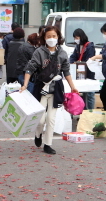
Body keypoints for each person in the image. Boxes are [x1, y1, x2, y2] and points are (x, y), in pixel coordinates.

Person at [21, 26, 78, 155]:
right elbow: (30, 68)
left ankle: (48, 144)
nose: (51, 39)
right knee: (40, 119)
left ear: (58, 37)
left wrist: (72, 86)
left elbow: (66, 71)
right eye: (48, 37)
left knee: (51, 119)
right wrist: (24, 85)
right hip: (41, 88)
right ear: (44, 38)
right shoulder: (39, 52)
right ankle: (38, 133)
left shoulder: (62, 53)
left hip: (56, 89)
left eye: (54, 36)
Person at [69, 28, 96, 109]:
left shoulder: (89, 46)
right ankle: (84, 114)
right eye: (74, 38)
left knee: (90, 95)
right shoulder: (77, 47)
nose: (75, 40)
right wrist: (73, 62)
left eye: (77, 38)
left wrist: (77, 63)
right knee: (83, 94)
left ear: (81, 36)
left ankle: (90, 113)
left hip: (89, 73)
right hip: (80, 73)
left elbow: (89, 59)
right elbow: (72, 57)